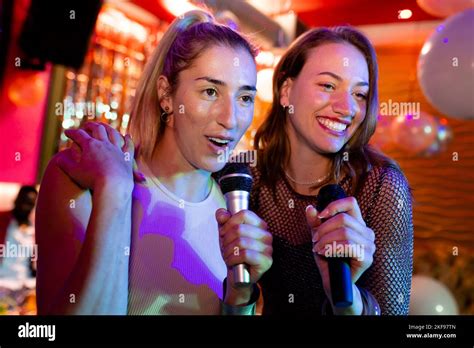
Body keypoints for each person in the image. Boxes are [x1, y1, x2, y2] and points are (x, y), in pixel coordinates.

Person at [35, 10, 273, 315]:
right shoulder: (80, 178)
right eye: (210, 91)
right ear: (166, 94)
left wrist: (241, 294)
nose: (230, 119)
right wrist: (115, 193)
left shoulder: (236, 211)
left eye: (244, 98)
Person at [251, 26, 413, 315]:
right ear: (286, 91)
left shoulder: (381, 186)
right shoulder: (250, 176)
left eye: (360, 94)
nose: (347, 108)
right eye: (327, 85)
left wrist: (349, 301)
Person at [0, 185, 38, 289]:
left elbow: (33, 261)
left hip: (24, 285)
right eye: (23, 201)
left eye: (29, 204)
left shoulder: (34, 228)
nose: (25, 207)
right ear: (16, 200)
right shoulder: (2, 220)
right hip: (2, 282)